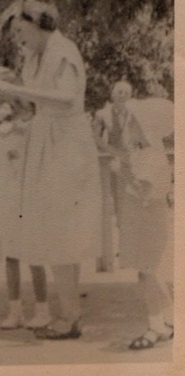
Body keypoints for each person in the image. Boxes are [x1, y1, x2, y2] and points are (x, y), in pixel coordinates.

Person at [0, 0, 102, 340]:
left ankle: (69, 317)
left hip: (65, 146)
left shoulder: (63, 51)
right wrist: (5, 95)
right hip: (45, 141)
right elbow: (35, 99)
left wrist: (17, 89)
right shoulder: (35, 56)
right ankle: (68, 314)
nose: (19, 39)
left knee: (63, 229)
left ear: (39, 23)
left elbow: (67, 99)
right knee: (51, 231)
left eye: (22, 30)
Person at [92, 83, 174, 350]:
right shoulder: (141, 153)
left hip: (150, 223)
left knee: (148, 275)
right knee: (148, 274)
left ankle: (155, 326)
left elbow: (144, 190)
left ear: (147, 127)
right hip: (143, 221)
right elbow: (126, 160)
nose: (129, 125)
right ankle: (163, 321)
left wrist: (121, 171)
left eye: (135, 122)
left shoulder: (152, 156)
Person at [0, 67, 50, 330]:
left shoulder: (32, 124)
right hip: (6, 194)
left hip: (28, 192)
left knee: (34, 251)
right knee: (10, 254)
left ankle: (43, 309)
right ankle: (15, 310)